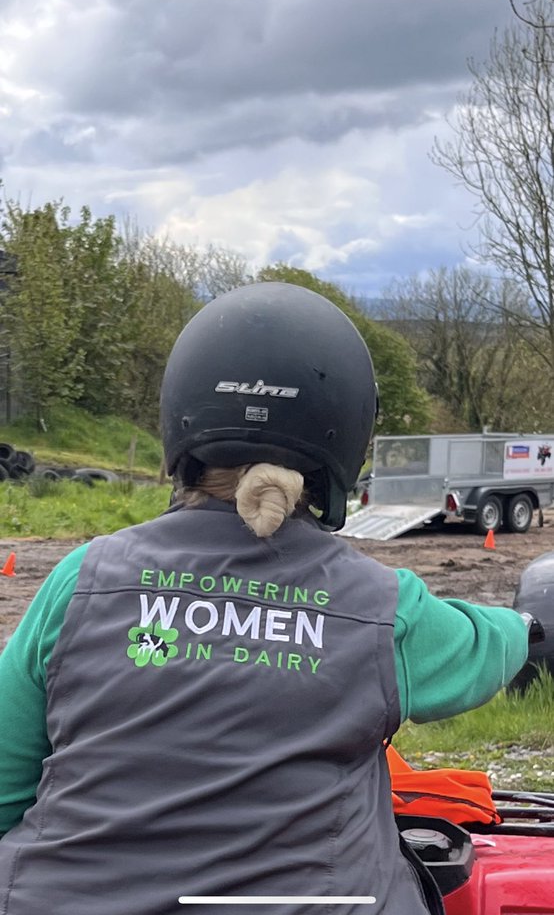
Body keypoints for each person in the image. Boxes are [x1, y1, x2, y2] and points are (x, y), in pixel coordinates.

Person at [0, 282, 530, 915]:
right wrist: (522, 622)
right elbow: (487, 651)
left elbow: (7, 783)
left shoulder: (83, 577)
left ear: (183, 425)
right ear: (343, 435)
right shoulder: (383, 606)